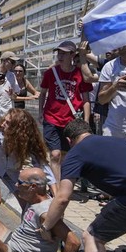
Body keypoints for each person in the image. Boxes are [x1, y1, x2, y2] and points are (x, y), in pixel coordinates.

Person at [40, 119, 126, 252]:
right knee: (120, 214)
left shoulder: (75, 153)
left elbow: (62, 197)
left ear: (69, 141)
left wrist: (46, 226)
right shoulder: (117, 141)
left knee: (92, 237)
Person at [0, 108, 57, 215]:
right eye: (4, 120)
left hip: (11, 171)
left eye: (8, 123)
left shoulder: (27, 142)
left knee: (27, 205)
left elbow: (44, 167)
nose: (3, 124)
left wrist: (56, 196)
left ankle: (25, 230)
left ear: (18, 128)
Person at [39, 40, 93, 182]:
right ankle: (57, 188)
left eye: (64, 53)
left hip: (71, 121)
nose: (60, 56)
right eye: (59, 53)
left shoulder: (80, 74)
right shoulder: (51, 73)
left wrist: (86, 121)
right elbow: (43, 93)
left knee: (67, 155)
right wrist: (40, 112)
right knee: (55, 154)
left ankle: (64, 181)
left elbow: (86, 99)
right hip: (51, 118)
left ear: (72, 55)